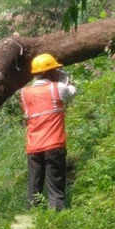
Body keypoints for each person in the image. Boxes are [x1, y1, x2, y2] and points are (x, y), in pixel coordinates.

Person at [20, 53, 76, 211]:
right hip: (54, 144)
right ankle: (57, 216)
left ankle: (32, 218)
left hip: (33, 147)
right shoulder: (57, 88)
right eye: (55, 70)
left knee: (34, 186)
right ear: (49, 72)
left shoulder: (25, 93)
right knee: (55, 187)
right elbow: (72, 92)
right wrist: (66, 81)